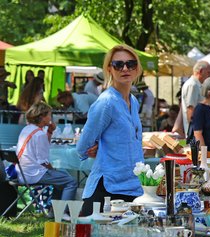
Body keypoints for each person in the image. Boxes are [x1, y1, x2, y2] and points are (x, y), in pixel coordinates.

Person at [76, 44, 145, 216]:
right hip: (107, 190)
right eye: (118, 65)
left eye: (131, 64)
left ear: (137, 69)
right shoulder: (106, 102)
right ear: (109, 69)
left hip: (134, 187)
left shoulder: (134, 102)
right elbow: (83, 147)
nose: (125, 68)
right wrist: (95, 148)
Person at [15, 102, 77, 202]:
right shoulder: (39, 134)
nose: (51, 117)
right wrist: (53, 170)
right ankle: (63, 211)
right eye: (49, 115)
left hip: (22, 172)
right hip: (34, 174)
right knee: (71, 181)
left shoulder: (27, 129)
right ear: (42, 117)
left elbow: (43, 148)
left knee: (61, 178)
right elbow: (43, 161)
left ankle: (55, 211)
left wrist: (49, 132)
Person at [179, 61, 210, 138]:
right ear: (200, 71)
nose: (209, 75)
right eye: (208, 72)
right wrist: (195, 132)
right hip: (196, 132)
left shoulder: (196, 84)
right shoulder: (192, 85)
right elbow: (190, 109)